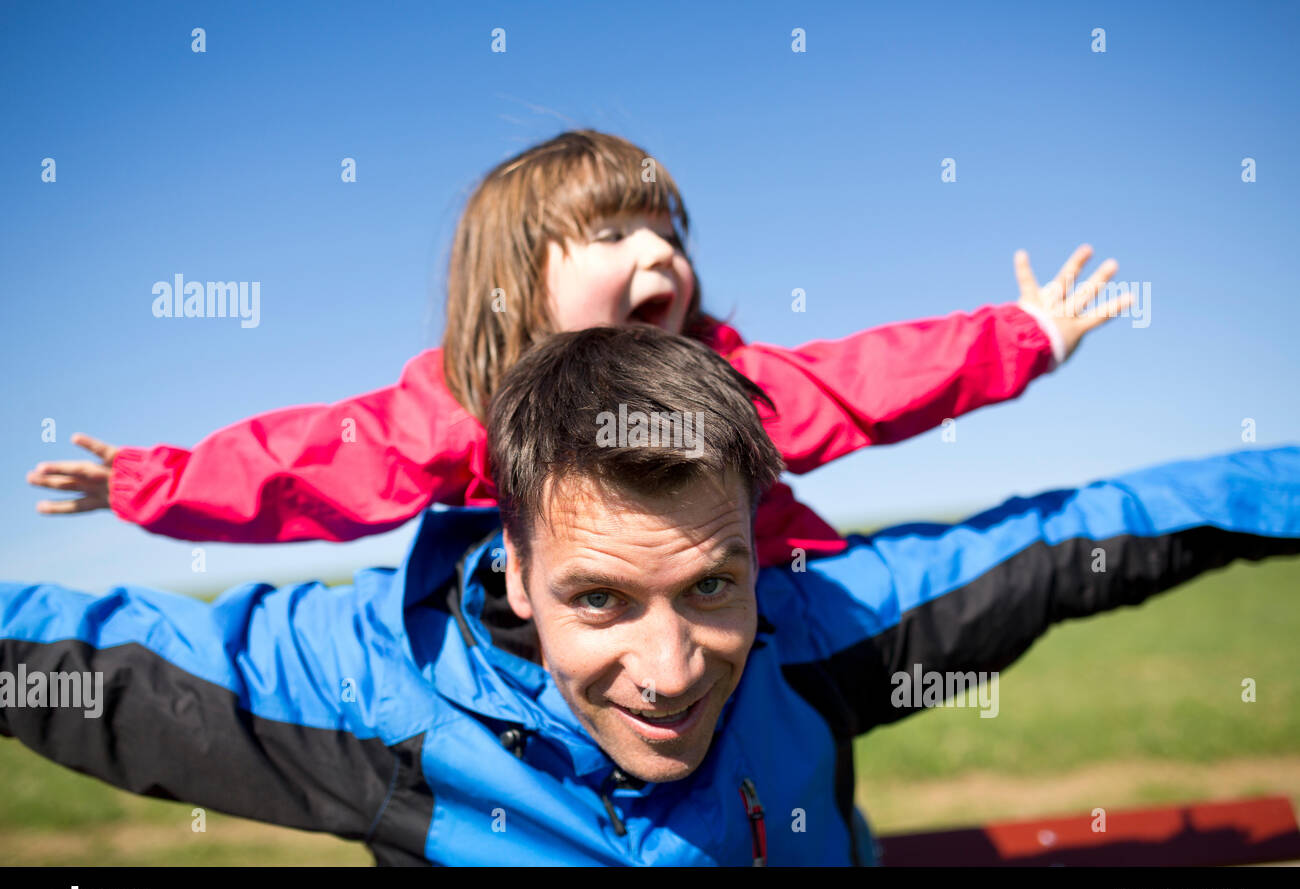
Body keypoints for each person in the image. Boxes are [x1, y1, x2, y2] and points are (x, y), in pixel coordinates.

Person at [8, 327, 1292, 866]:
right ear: (509, 561)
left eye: (713, 584)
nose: (673, 667)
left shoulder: (820, 623)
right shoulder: (364, 684)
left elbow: (1094, 529)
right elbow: (64, 654)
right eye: (602, 600)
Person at [25, 130, 1131, 567]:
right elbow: (313, 461)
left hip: (773, 618)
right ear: (517, 280)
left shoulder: (723, 381)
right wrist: (147, 480)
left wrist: (1022, 336)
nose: (658, 255)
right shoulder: (469, 404)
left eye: (669, 233)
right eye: (615, 235)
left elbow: (865, 379)